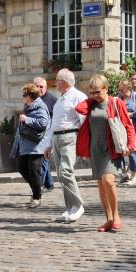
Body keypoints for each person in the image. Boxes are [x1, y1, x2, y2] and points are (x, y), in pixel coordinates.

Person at [75, 74, 135, 232]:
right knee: (101, 185)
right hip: (95, 149)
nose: (95, 95)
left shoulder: (116, 102)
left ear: (106, 89)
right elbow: (79, 108)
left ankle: (116, 216)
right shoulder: (92, 105)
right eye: (92, 92)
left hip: (111, 148)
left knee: (108, 181)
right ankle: (108, 219)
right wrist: (91, 99)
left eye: (98, 92)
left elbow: (128, 125)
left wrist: (131, 144)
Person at [43, 68, 87, 222]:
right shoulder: (60, 99)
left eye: (57, 80)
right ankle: (71, 209)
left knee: (66, 171)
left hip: (69, 136)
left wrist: (82, 141)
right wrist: (48, 145)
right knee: (61, 175)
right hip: (57, 138)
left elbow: (84, 121)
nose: (54, 83)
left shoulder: (78, 97)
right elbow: (53, 125)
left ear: (64, 82)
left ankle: (78, 205)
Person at [15, 83, 50, 208]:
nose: (23, 97)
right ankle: (37, 188)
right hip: (26, 145)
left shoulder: (40, 106)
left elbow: (43, 123)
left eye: (24, 94)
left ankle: (37, 197)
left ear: (29, 96)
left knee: (34, 172)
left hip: (37, 146)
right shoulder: (28, 106)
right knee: (22, 168)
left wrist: (27, 119)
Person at [116, 79, 136, 185]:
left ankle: (134, 176)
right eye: (119, 90)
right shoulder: (118, 98)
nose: (120, 92)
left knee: (133, 151)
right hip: (120, 128)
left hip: (133, 128)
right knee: (121, 151)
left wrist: (131, 115)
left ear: (128, 88)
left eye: (121, 90)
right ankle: (124, 174)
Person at [33, 76, 56, 191]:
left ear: (46, 88)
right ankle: (49, 183)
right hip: (36, 135)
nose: (38, 89)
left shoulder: (52, 100)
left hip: (47, 135)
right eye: (36, 86)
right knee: (42, 160)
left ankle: (40, 185)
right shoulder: (31, 99)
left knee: (43, 160)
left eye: (41, 87)